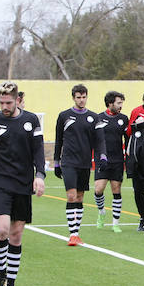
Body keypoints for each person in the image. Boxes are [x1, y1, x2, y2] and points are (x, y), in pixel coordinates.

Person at [0, 82, 46, 286]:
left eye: (8, 102)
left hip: (23, 183)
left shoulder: (31, 120)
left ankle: (12, 283)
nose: (4, 106)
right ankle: (1, 277)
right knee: (2, 230)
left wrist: (39, 176)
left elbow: (38, 151)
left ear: (17, 100)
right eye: (1, 102)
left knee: (16, 235)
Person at [54, 84, 107, 245]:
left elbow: (100, 140)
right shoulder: (64, 116)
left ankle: (77, 232)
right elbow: (58, 140)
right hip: (69, 162)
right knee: (71, 196)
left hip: (84, 162)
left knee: (80, 197)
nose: (81, 100)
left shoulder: (93, 117)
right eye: (78, 97)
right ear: (73, 98)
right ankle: (73, 234)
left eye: (84, 97)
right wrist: (56, 162)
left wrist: (103, 157)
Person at [94, 91, 129, 233]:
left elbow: (128, 139)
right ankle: (101, 212)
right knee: (98, 189)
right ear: (110, 104)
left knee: (116, 189)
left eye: (122, 103)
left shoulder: (123, 119)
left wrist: (129, 157)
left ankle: (115, 223)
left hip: (117, 160)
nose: (121, 105)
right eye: (119, 103)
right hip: (102, 159)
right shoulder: (99, 118)